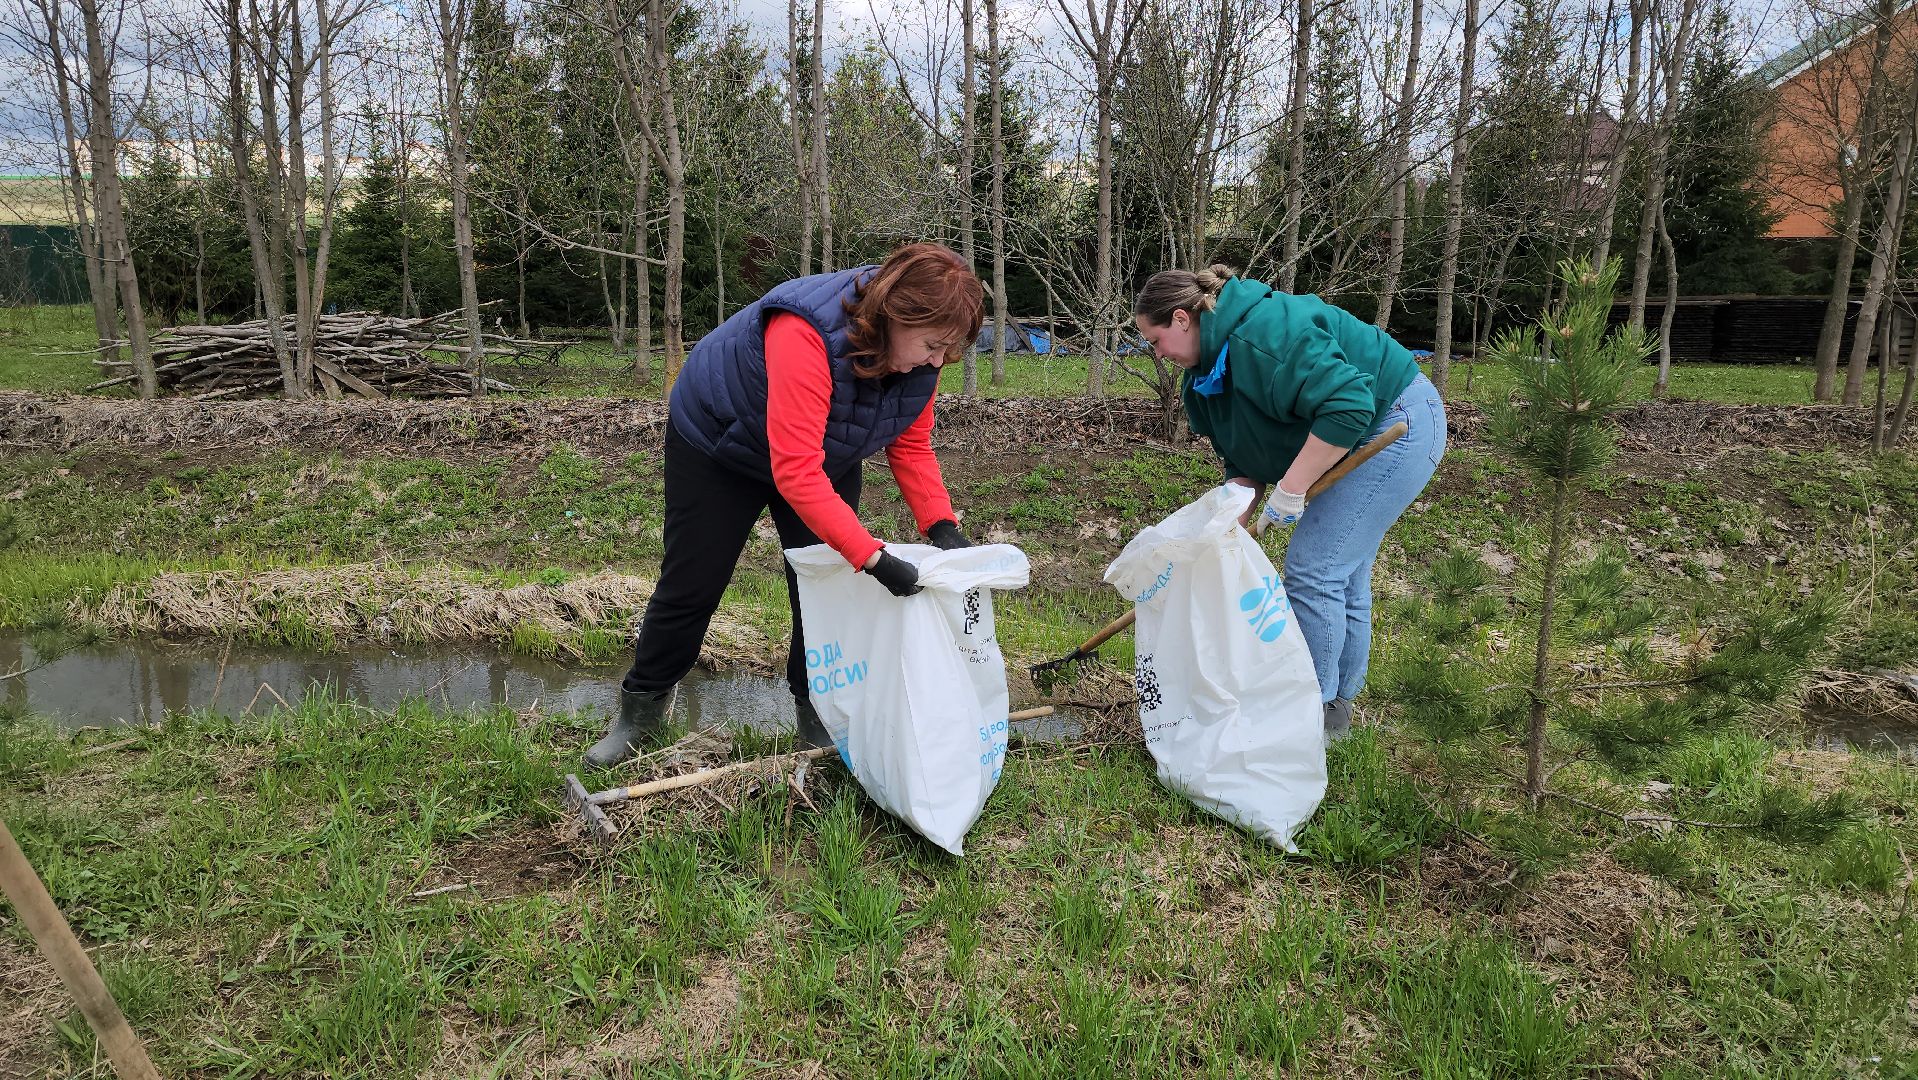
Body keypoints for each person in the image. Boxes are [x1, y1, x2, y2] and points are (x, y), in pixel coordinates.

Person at [585, 243, 983, 767]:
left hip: (824, 449)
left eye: (948, 351)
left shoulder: (923, 356)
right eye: (932, 345)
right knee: (693, 583)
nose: (937, 360)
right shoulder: (805, 332)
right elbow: (795, 472)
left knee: (822, 591)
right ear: (895, 315)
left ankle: (816, 718)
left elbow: (909, 442)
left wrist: (941, 524)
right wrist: (872, 557)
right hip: (723, 442)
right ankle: (641, 711)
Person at [1132, 265, 1446, 739]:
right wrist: (1230, 530)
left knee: (1316, 569)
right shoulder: (1203, 381)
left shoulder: (1263, 336)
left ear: (1181, 318)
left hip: (1394, 419)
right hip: (1344, 433)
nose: (1157, 354)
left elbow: (1349, 405)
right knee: (1340, 572)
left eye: (1155, 341)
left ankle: (1312, 714)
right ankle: (1337, 705)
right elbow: (1241, 460)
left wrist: (1292, 487)